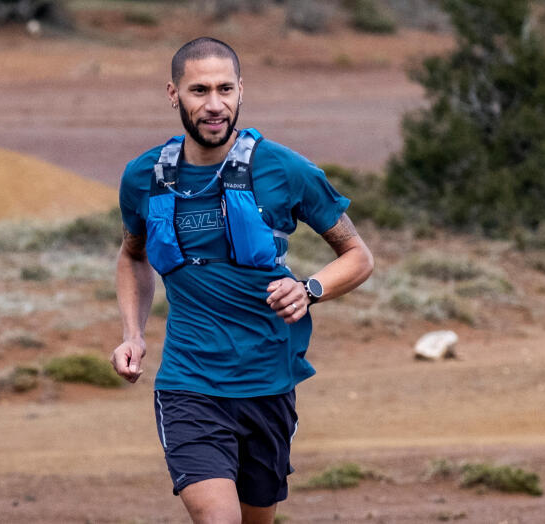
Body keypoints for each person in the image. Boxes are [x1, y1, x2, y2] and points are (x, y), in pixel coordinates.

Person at [111, 37, 375, 524]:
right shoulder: (143, 176)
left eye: (225, 89)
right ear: (174, 94)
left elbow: (357, 255)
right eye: (199, 90)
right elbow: (133, 257)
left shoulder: (285, 169)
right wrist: (133, 335)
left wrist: (310, 289)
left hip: (268, 384)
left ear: (240, 91)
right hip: (189, 383)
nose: (214, 104)